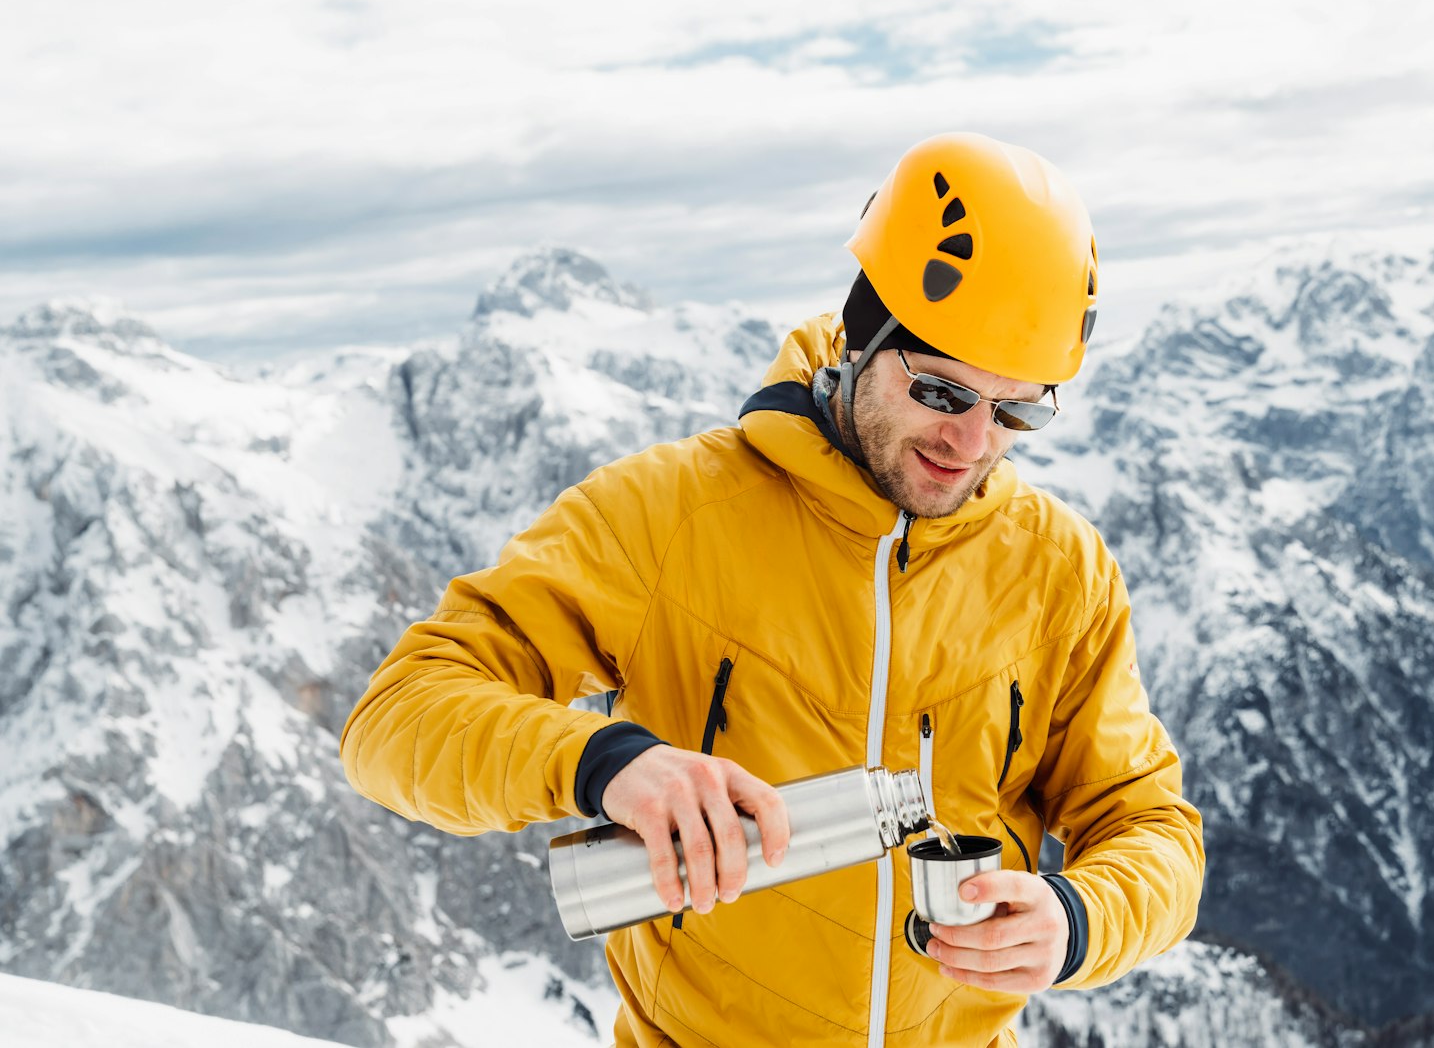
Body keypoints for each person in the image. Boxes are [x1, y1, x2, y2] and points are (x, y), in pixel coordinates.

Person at [340, 132, 1205, 1047]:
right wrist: (605, 763)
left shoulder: (1059, 570)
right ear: (862, 338)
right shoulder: (669, 514)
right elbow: (396, 723)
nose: (973, 445)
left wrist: (1080, 920)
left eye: (1018, 410)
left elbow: (1152, 828)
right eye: (943, 395)